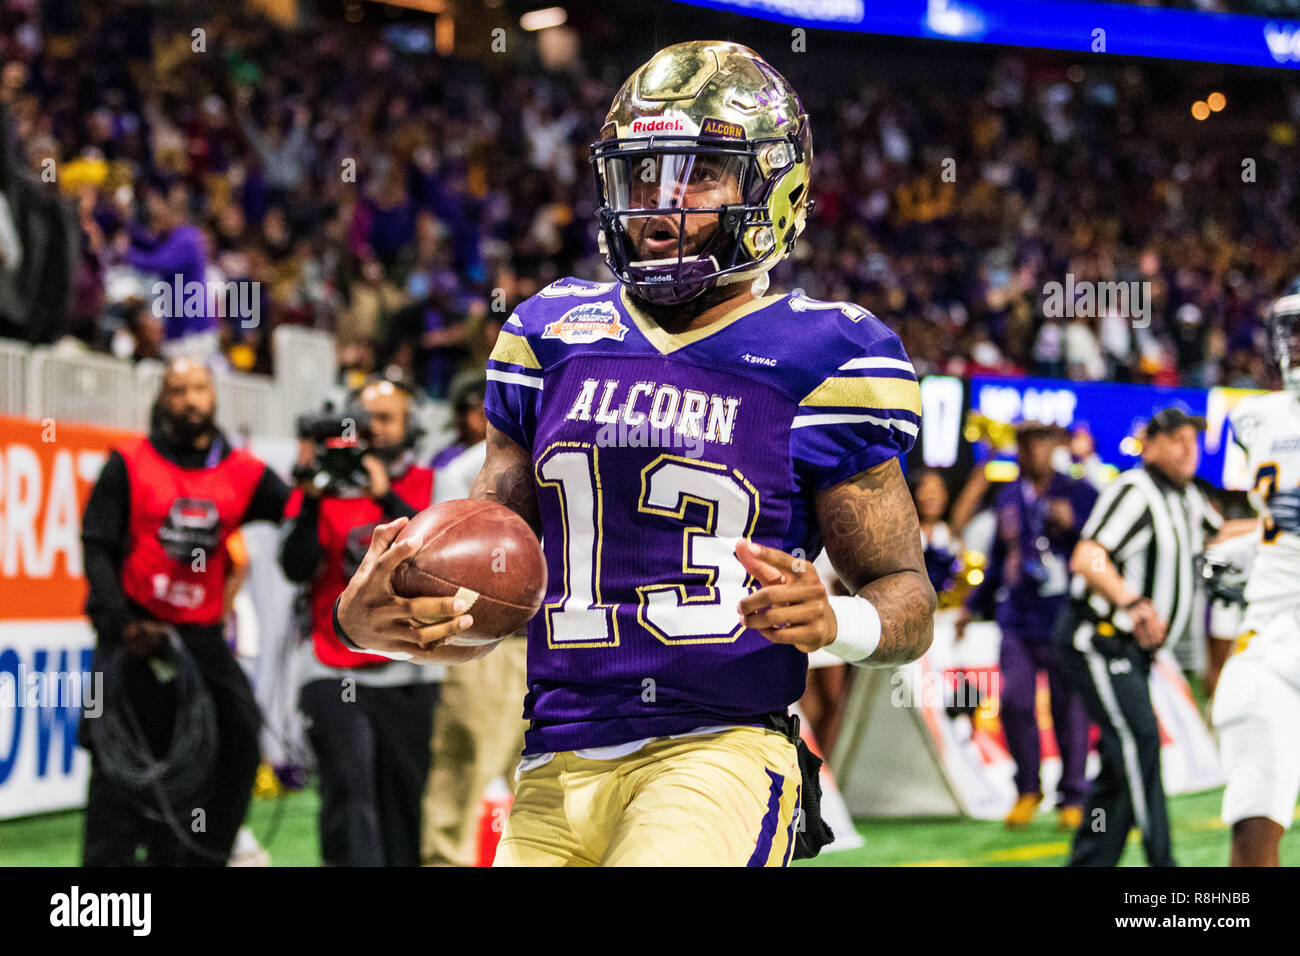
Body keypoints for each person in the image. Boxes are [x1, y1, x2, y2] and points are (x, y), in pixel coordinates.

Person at [335, 41, 936, 867]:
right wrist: (381, 620)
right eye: (644, 175)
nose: (660, 206)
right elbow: (493, 575)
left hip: (717, 749)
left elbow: (909, 598)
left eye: (699, 175)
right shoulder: (548, 333)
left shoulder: (828, 353)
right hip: (553, 756)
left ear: (775, 187)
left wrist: (841, 621)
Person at [79, 357, 290, 866]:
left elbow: (298, 513)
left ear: (213, 397)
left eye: (199, 388)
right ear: (162, 400)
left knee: (240, 737)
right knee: (120, 771)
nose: (190, 399)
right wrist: (119, 624)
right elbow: (96, 546)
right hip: (134, 631)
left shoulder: (242, 471)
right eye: (177, 390)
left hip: (199, 638)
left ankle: (203, 856)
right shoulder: (127, 465)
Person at [279, 377, 441, 866]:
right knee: (351, 791)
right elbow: (293, 566)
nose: (374, 429)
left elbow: (435, 567)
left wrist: (387, 498)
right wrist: (310, 496)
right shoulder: (324, 483)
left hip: (405, 671)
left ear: (409, 429)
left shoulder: (426, 484)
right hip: (333, 667)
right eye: (367, 419)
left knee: (403, 802)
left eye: (387, 419)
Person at [1058, 406, 1223, 867]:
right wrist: (1130, 600)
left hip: (1133, 651)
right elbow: (1087, 557)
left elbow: (1222, 535)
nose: (1188, 447)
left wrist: (1280, 526)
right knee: (1140, 742)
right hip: (1100, 638)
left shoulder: (1187, 497)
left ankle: (1091, 860)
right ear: (1148, 444)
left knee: (1119, 764)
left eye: (1193, 439)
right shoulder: (1135, 489)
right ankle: (1163, 863)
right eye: (1176, 439)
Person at [956, 422, 1097, 830]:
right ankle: (1026, 790)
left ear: (1055, 447)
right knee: (1016, 701)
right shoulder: (1009, 497)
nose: (1033, 451)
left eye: (1041, 442)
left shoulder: (1080, 492)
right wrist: (972, 606)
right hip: (1017, 615)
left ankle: (1073, 795)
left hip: (1065, 613)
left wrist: (1074, 524)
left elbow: (1103, 546)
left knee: (1067, 705)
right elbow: (1001, 559)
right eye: (1026, 443)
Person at [1213, 280, 1300, 867]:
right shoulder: (1254, 417)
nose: (1298, 345)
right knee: (1253, 815)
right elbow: (1263, 528)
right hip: (1272, 637)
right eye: (1294, 331)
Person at [420, 415, 530, 867]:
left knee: (552, 786)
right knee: (463, 777)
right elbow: (438, 563)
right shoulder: (464, 469)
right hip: (487, 643)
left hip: (563, 641)